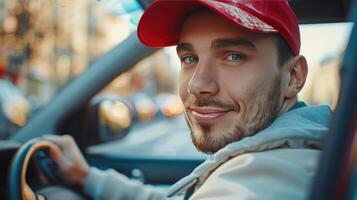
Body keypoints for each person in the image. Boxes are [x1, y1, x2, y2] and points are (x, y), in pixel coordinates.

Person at [44, 0, 332, 199]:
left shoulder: (268, 179)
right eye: (190, 58)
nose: (197, 84)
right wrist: (87, 178)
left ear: (293, 76)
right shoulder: (276, 154)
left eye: (233, 56)